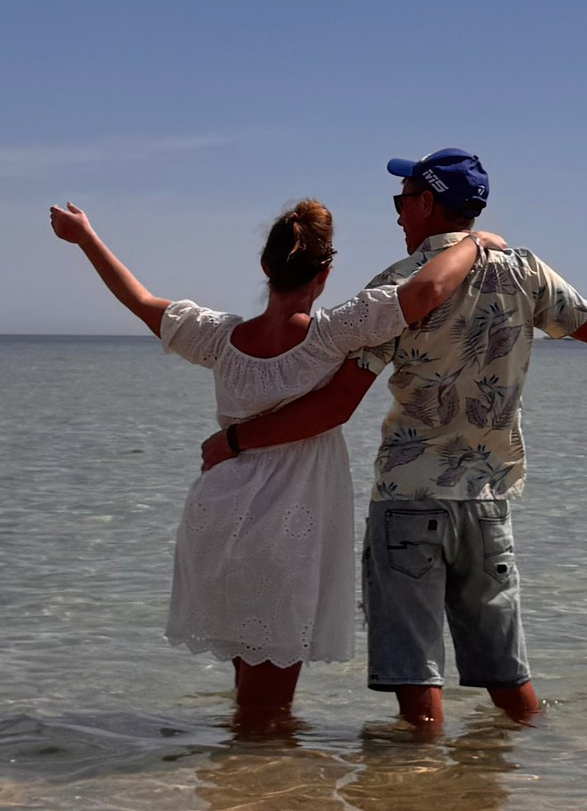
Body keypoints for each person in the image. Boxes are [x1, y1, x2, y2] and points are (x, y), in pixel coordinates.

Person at [201, 147, 587, 734]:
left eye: (402, 202)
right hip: (486, 501)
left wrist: (237, 439)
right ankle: (533, 784)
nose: (397, 215)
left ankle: (422, 808)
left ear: (426, 203)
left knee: (417, 688)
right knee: (508, 681)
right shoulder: (526, 272)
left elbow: (334, 406)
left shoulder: (396, 287)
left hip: (407, 502)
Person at [47, 193, 492, 737]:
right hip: (288, 529)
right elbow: (425, 292)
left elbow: (138, 299)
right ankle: (254, 808)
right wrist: (472, 242)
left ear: (265, 267)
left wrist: (85, 236)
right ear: (325, 273)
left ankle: (237, 802)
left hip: (218, 516)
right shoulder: (332, 336)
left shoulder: (219, 337)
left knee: (251, 698)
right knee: (265, 714)